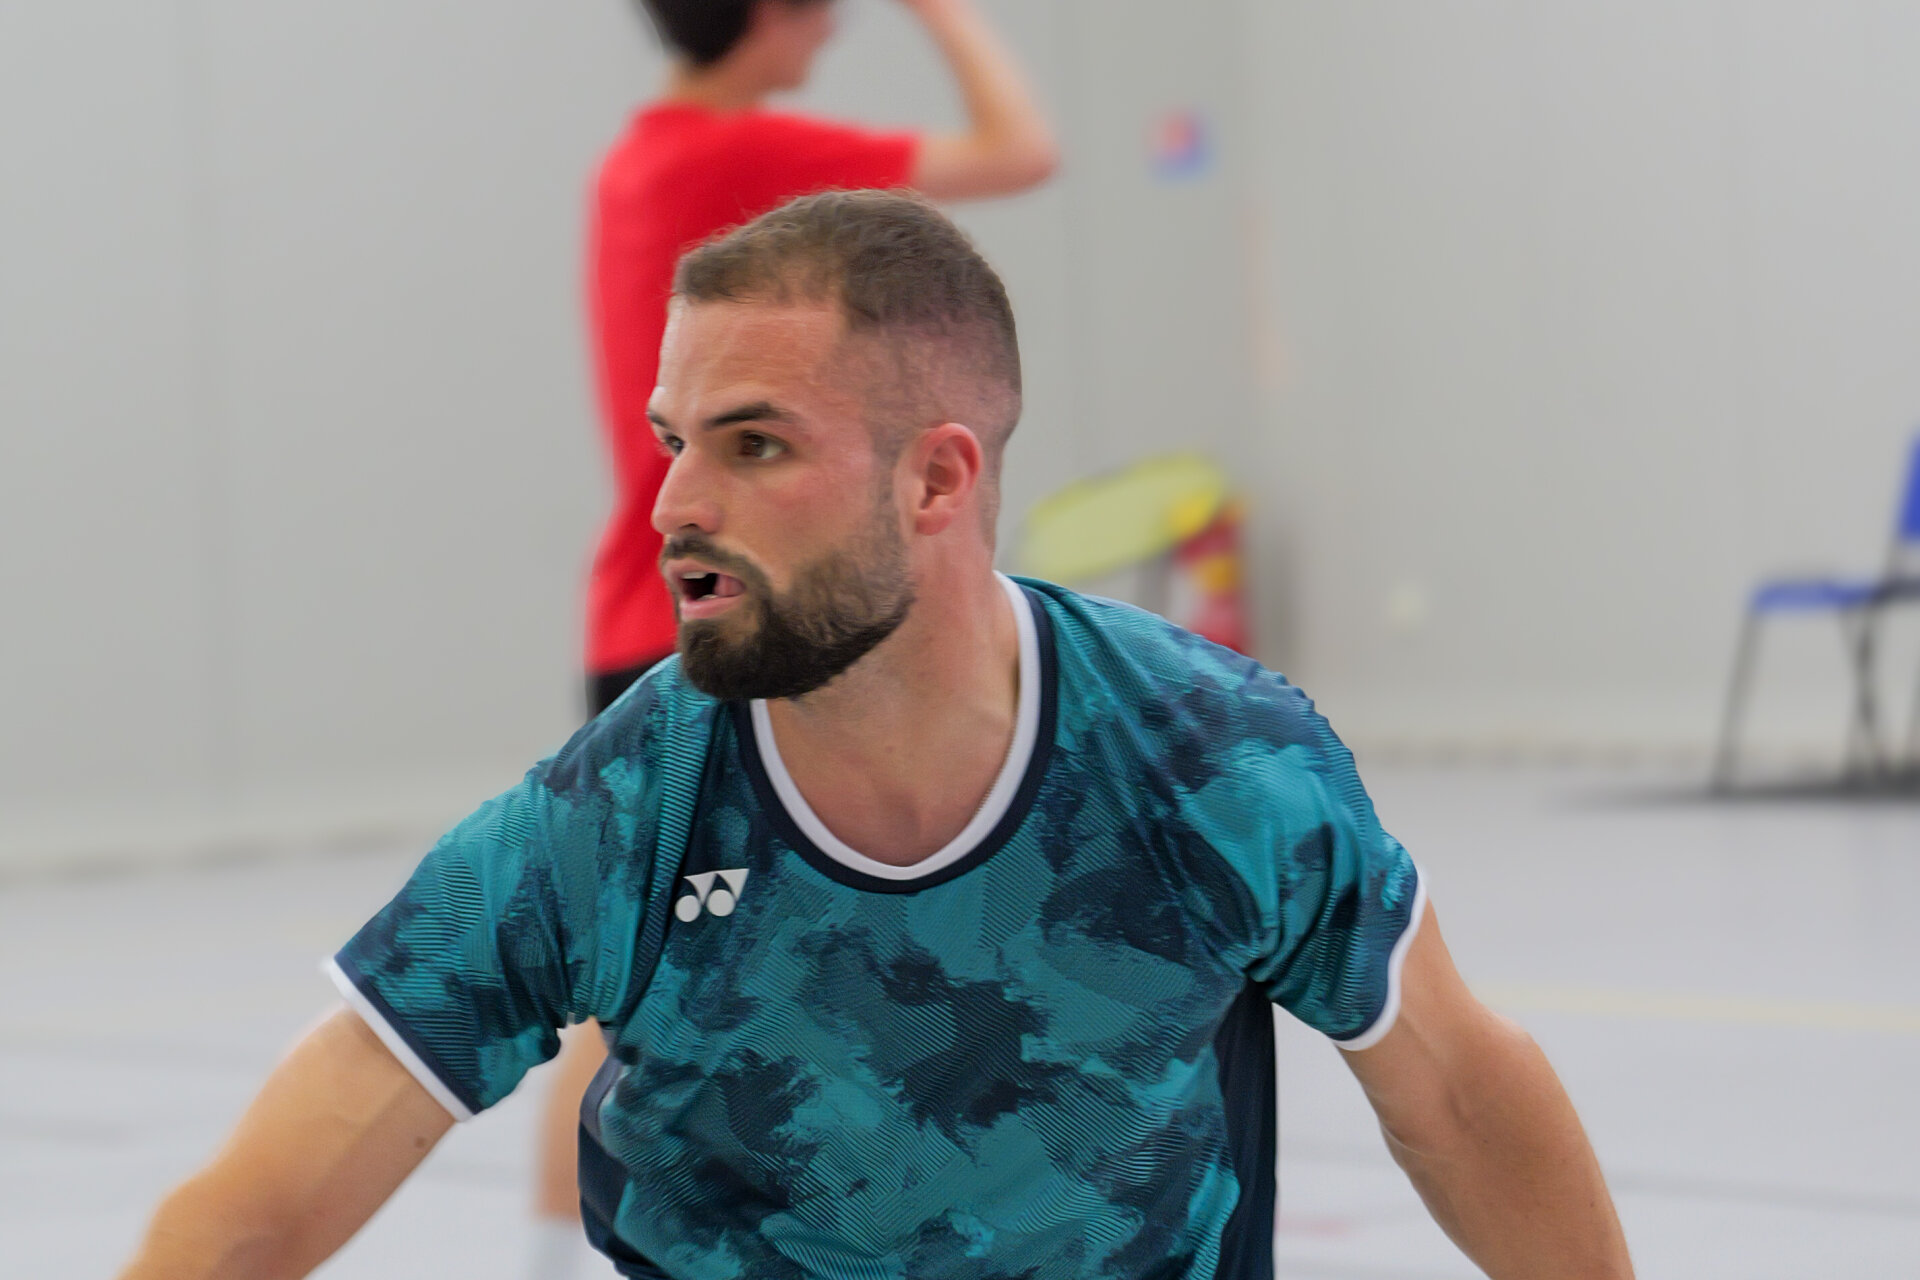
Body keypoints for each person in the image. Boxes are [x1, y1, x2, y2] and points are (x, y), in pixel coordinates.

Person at [119, 191, 1633, 1280]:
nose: (674, 505)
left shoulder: (1218, 762)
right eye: (673, 442)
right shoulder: (620, 810)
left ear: (936, 480)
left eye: (754, 444)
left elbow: (1460, 1097)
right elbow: (275, 1192)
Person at [559, 1, 1054, 1266]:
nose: (833, 27)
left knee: (619, 991)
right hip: (745, 616)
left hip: (647, 609)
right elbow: (1020, 149)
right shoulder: (737, 157)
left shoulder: (639, 159)